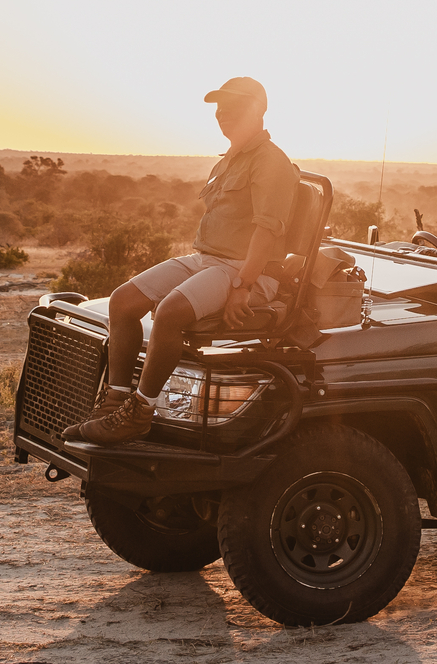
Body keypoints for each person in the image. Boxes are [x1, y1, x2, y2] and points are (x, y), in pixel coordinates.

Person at [66, 77, 299, 447]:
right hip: (207, 260)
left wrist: (243, 286)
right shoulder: (231, 159)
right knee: (123, 301)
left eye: (233, 107)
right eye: (220, 108)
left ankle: (139, 412)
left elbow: (266, 232)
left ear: (258, 110)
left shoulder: (271, 162)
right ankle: (114, 402)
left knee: (170, 311)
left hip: (244, 270)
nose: (222, 114)